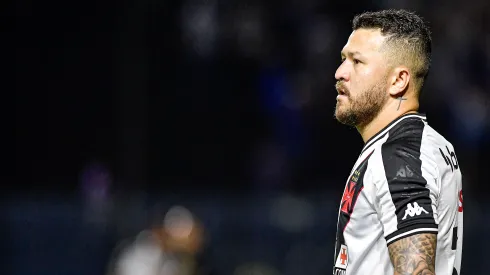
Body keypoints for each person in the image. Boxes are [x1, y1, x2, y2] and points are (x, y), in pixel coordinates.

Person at [332, 9, 463, 275]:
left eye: (357, 62)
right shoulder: (427, 144)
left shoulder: (398, 156)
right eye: (343, 59)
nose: (340, 73)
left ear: (399, 80)